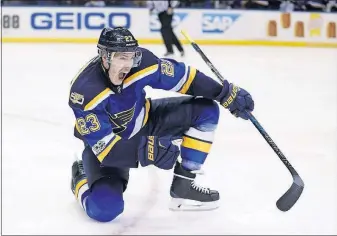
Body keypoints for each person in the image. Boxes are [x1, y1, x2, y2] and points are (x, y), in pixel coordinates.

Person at [69, 27, 254, 222]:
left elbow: (185, 78)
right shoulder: (84, 92)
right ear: (105, 57)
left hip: (146, 121)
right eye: (122, 58)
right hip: (108, 149)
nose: (128, 64)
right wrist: (148, 149)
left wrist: (223, 93)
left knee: (206, 111)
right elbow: (107, 150)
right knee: (105, 209)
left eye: (132, 57)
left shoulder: (142, 65)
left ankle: (184, 185)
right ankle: (80, 178)